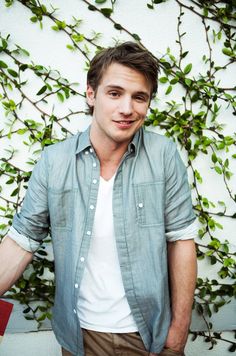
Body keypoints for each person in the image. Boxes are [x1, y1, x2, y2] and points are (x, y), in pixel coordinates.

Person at [0, 42, 197, 356]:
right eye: (115, 93)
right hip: (81, 337)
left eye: (139, 97)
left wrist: (177, 336)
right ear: (91, 94)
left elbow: (182, 240)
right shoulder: (54, 161)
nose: (127, 109)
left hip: (149, 337)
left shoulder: (163, 155)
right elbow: (21, 240)